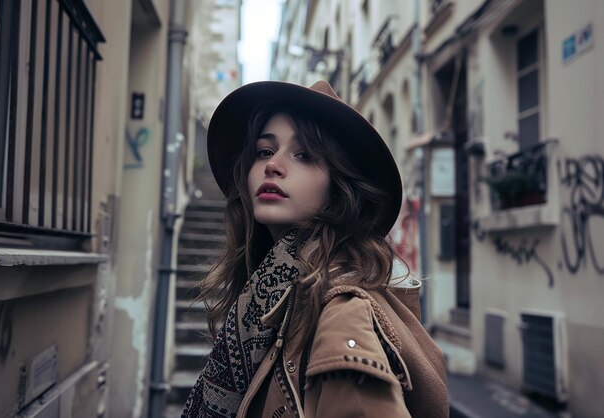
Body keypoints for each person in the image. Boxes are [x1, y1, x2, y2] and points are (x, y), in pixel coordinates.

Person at [181, 81, 449, 418]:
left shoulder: (343, 315)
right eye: (264, 151)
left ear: (339, 189)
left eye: (304, 155)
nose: (273, 165)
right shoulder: (269, 293)